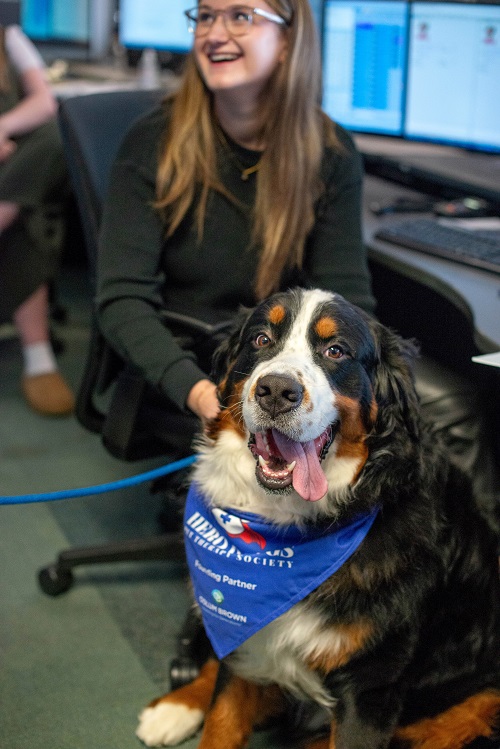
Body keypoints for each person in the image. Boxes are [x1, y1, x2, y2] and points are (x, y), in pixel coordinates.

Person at [96, 0, 498, 499]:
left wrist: (345, 381)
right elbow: (122, 301)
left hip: (300, 358)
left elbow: (350, 298)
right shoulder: (153, 142)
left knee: (451, 405)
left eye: (239, 16)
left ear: (288, 41)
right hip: (202, 354)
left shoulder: (327, 151)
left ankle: (470, 557)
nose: (215, 33)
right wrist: (203, 394)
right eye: (204, 16)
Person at [0, 24, 74, 416]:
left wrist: (2, 126)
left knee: (57, 130)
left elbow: (44, 102)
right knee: (27, 212)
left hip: (6, 163)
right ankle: (38, 357)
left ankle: (6, 206)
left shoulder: (8, 35)